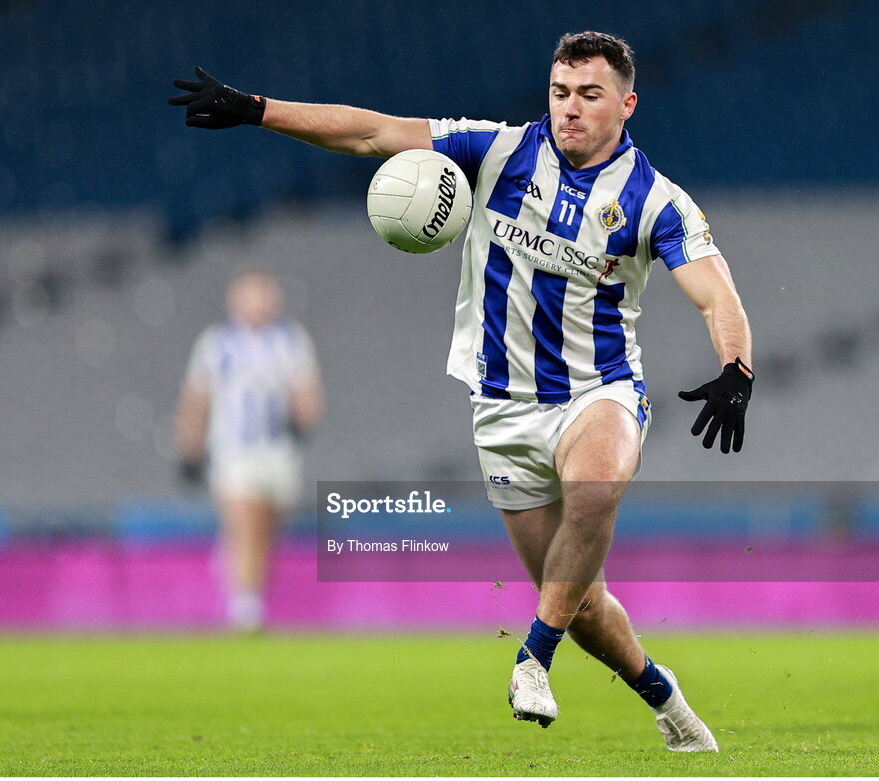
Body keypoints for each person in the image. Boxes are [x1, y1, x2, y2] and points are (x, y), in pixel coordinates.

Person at [169, 31, 753, 751]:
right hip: (503, 411)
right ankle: (664, 696)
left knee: (596, 487)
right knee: (582, 602)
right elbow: (372, 132)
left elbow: (713, 291)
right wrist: (258, 109)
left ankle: (532, 656)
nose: (570, 109)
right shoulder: (496, 152)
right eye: (560, 92)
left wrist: (737, 366)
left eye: (589, 95)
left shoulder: (656, 201)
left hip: (598, 390)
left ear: (626, 104)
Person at [174, 270, 324, 632]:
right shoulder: (217, 343)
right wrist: (189, 447)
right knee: (246, 518)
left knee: (268, 528)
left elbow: (307, 389)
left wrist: (303, 418)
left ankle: (241, 578)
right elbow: (197, 396)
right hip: (234, 449)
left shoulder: (290, 340)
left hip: (278, 451)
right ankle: (244, 607)